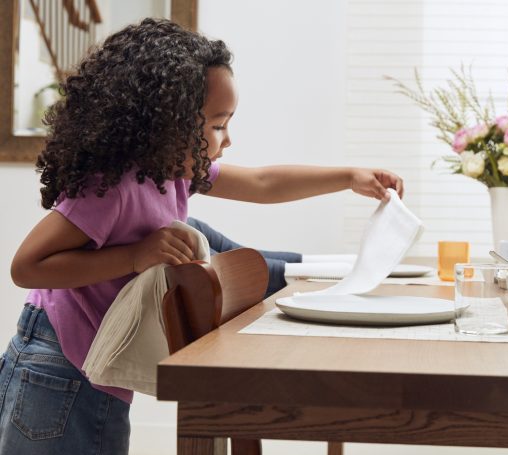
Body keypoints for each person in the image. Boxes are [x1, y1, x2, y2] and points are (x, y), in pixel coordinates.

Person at [0, 18, 402, 455]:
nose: (226, 140)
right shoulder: (110, 188)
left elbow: (263, 183)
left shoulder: (171, 171)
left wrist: (349, 177)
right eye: (216, 125)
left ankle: (308, 273)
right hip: (55, 365)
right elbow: (27, 267)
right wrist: (135, 256)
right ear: (165, 125)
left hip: (90, 364)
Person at [186, 217, 301, 297]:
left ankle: (312, 268)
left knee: (240, 255)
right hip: (180, 239)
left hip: (185, 225)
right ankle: (311, 271)